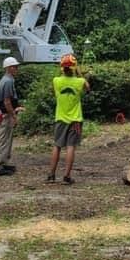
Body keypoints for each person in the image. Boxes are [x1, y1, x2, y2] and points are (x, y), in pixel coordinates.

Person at [46, 53, 90, 184]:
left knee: (57, 146)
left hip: (60, 118)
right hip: (75, 120)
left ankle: (51, 175)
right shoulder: (80, 82)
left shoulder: (56, 81)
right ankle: (66, 177)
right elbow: (88, 88)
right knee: (71, 146)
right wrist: (80, 73)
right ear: (74, 68)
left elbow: (53, 92)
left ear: (62, 68)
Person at [0, 56, 21, 177]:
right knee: (4, 139)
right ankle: (0, 165)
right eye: (14, 67)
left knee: (6, 138)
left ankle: (4, 162)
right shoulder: (8, 81)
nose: (16, 69)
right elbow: (7, 101)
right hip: (6, 114)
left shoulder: (6, 79)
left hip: (5, 112)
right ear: (9, 68)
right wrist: (14, 115)